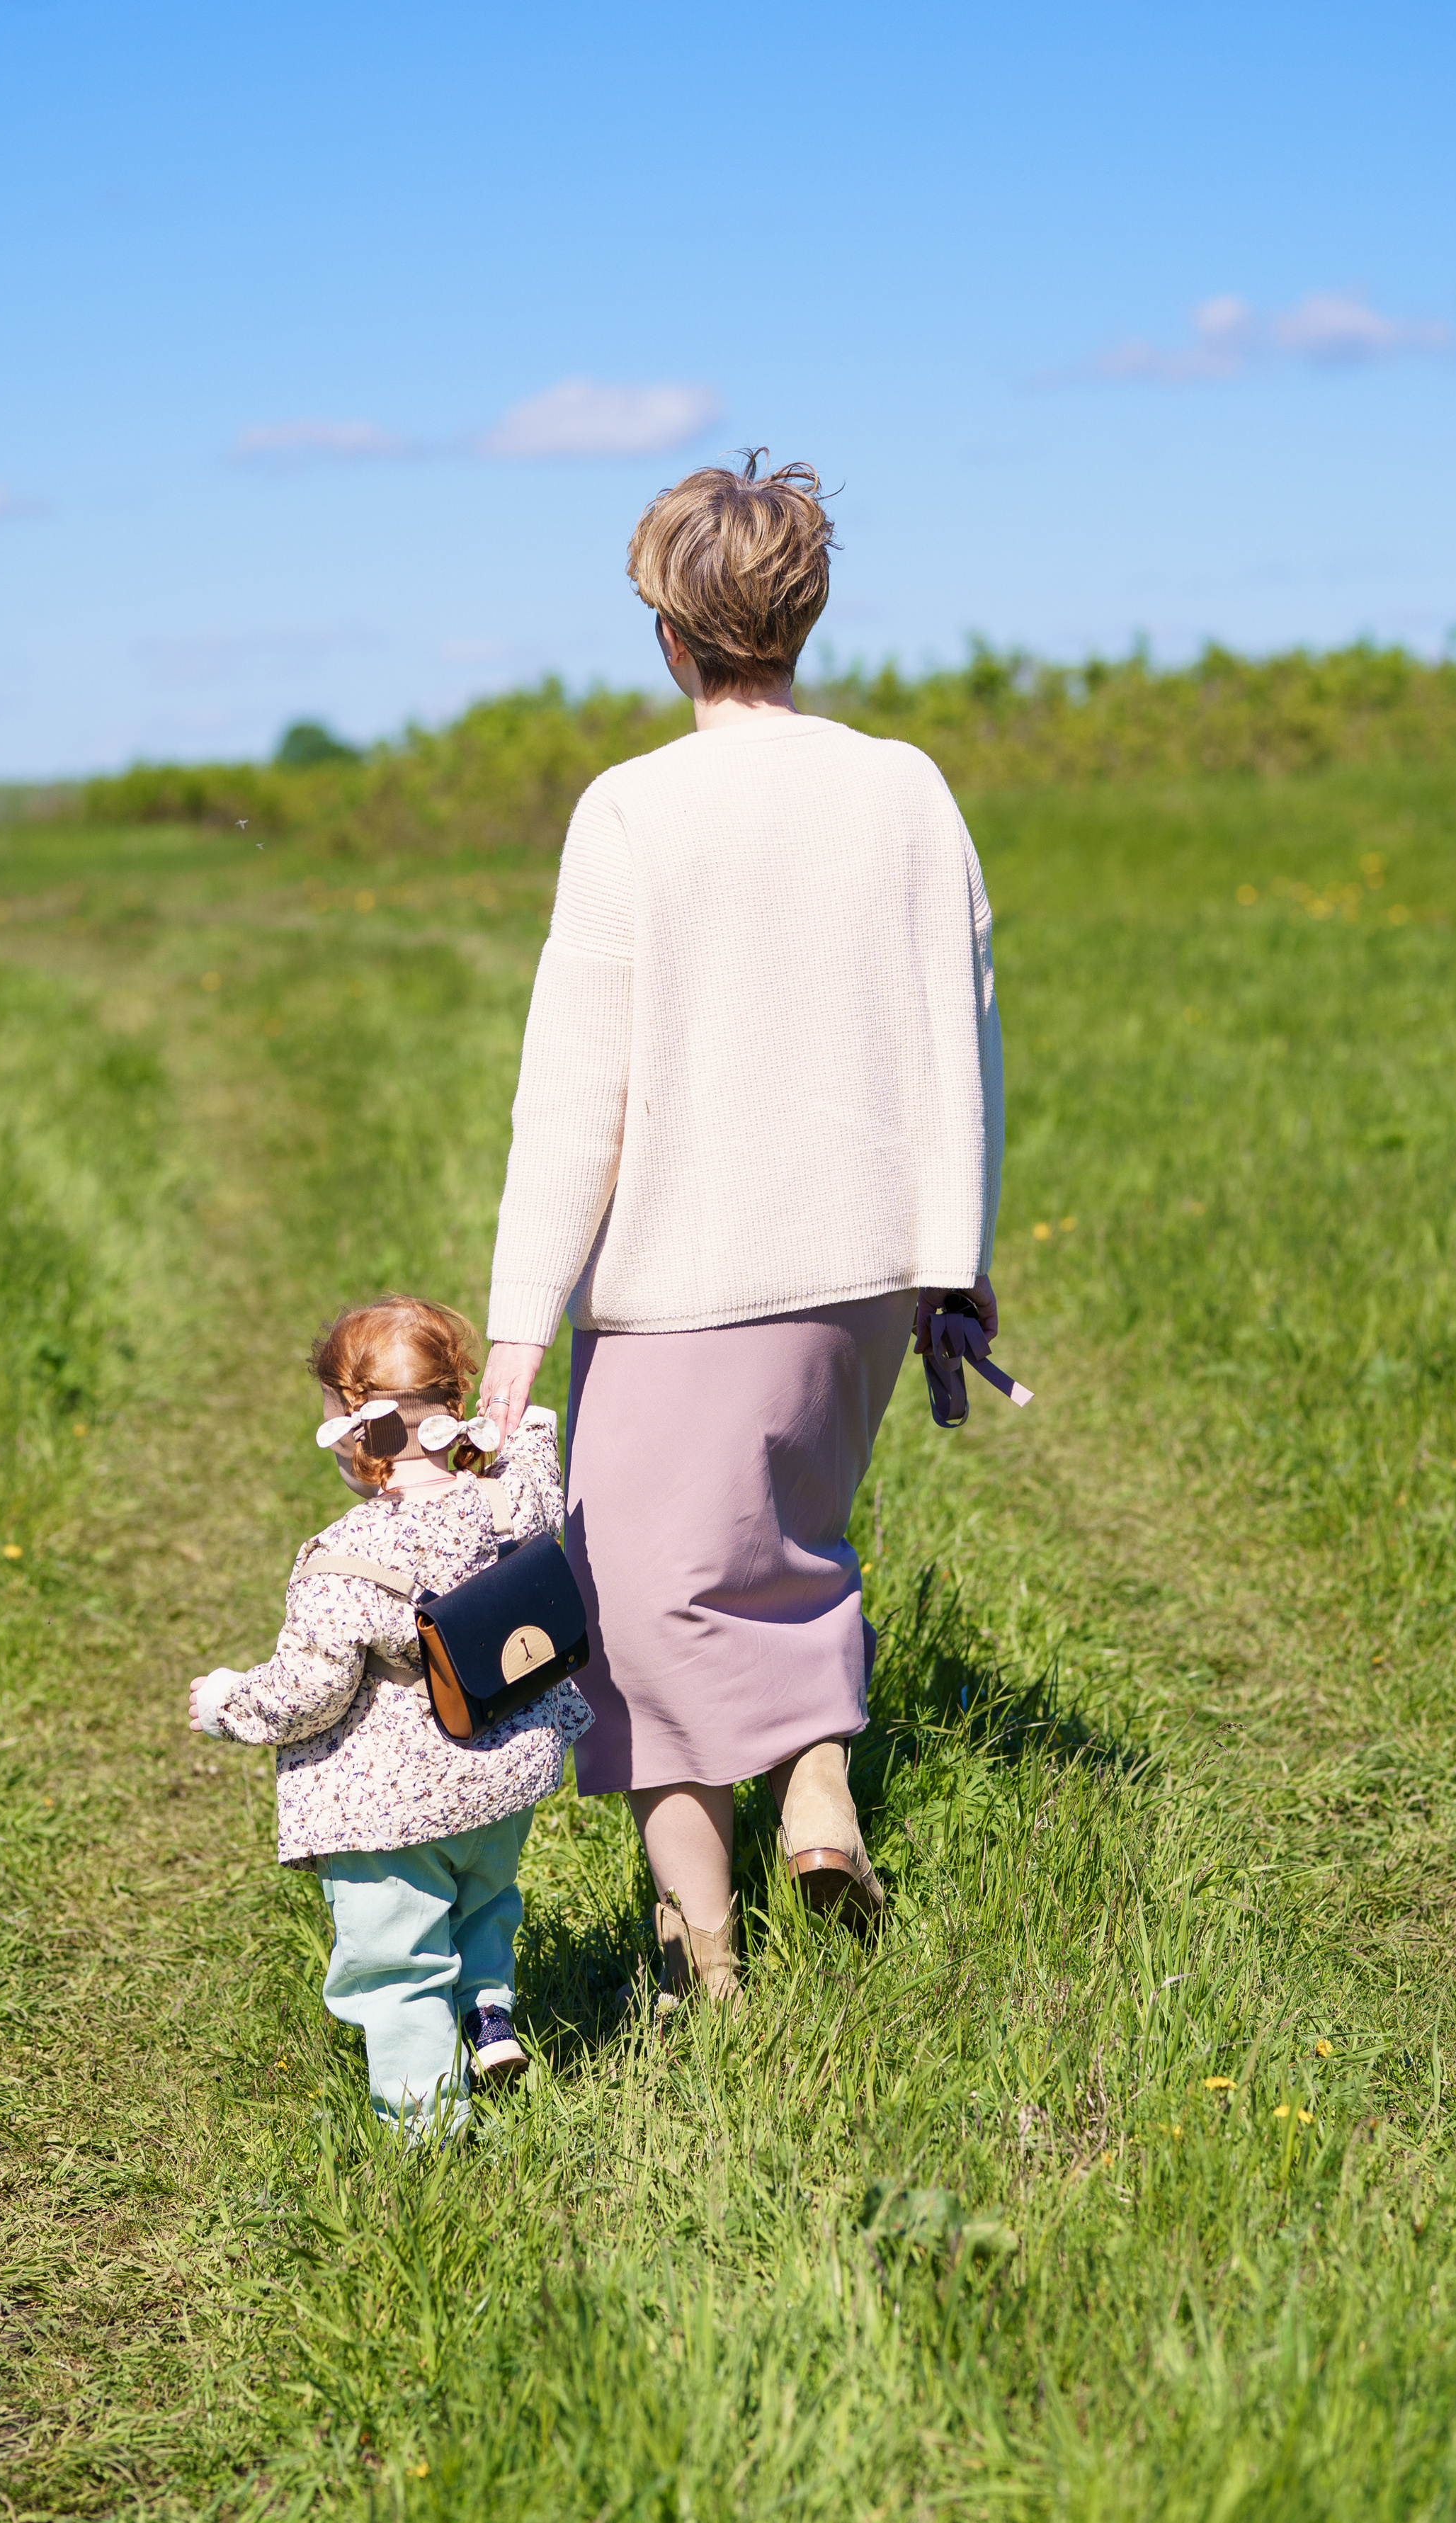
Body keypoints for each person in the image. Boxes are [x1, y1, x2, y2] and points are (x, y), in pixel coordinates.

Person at [475, 453, 1003, 2010]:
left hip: (689, 1280)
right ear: (805, 612)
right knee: (787, 1551)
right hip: (866, 1274)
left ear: (667, 633)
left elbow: (577, 1088)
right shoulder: (906, 784)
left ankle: (705, 1964)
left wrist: (520, 1317)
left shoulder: (633, 806)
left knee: (640, 1614)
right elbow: (957, 1031)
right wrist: (952, 1258)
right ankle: (819, 1795)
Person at [187, 1295, 590, 2133]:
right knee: (485, 1901)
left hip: (394, 1811)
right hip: (503, 1774)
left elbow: (310, 1692)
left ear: (358, 1437)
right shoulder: (510, 1503)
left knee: (397, 1962)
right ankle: (488, 2013)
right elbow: (534, 1448)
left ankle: (426, 2130)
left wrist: (230, 1703)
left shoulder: (343, 1563)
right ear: (454, 1405)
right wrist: (492, 1427)